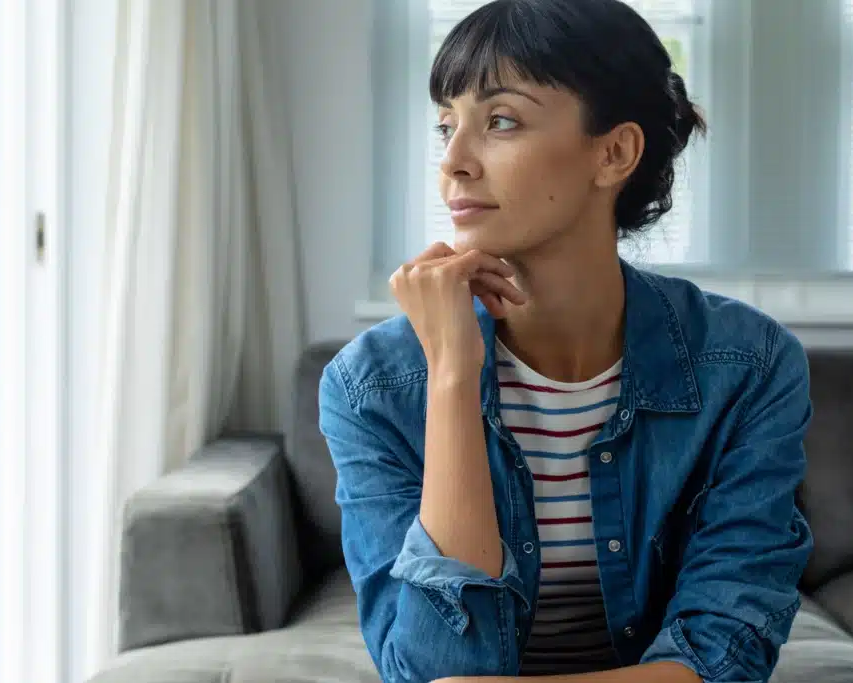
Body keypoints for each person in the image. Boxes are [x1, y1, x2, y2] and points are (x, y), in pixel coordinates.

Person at [319, 1, 813, 681]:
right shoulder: (371, 384)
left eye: (500, 121)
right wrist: (454, 377)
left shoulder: (749, 367)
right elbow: (433, 665)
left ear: (614, 152)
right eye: (445, 128)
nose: (454, 164)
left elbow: (722, 656)